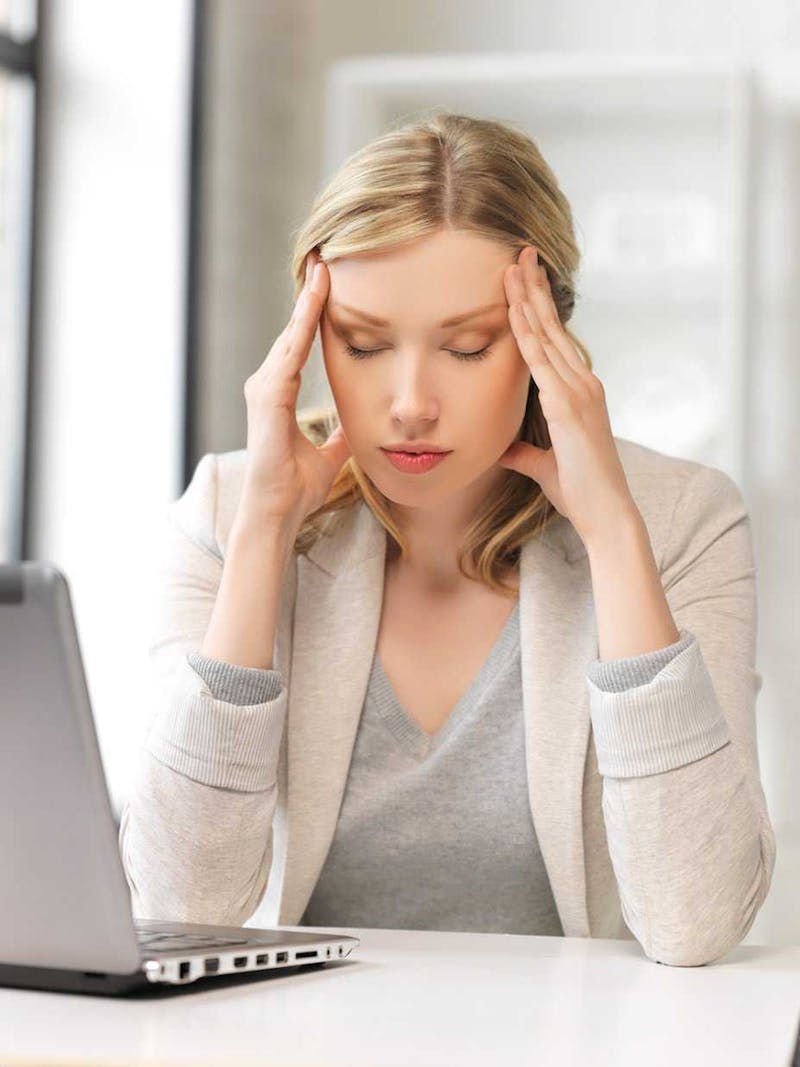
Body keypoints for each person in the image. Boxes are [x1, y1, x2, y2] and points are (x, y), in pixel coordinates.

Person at [119, 111, 776, 967]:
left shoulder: (684, 519)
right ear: (313, 337)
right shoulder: (226, 511)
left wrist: (615, 535)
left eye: (466, 348)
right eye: (362, 344)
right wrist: (261, 542)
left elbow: (696, 920)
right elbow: (181, 905)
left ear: (551, 339)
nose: (410, 402)